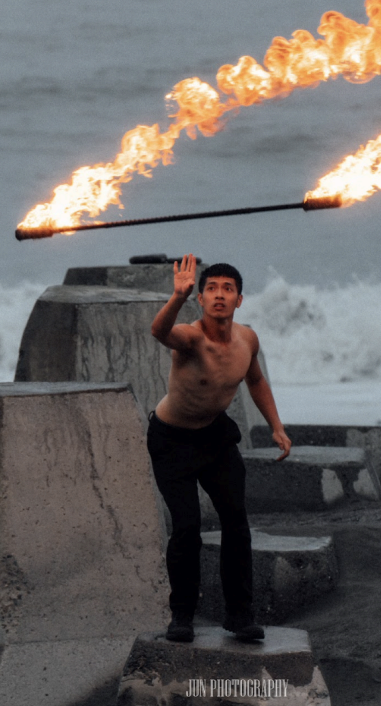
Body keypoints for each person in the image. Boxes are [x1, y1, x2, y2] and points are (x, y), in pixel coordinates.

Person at [147, 254, 291, 643]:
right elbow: (160, 331)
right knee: (187, 527)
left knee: (236, 523)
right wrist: (177, 296)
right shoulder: (191, 337)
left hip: (215, 437)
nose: (219, 295)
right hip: (171, 440)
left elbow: (256, 381)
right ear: (201, 298)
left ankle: (239, 616)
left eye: (228, 289)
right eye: (211, 289)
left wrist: (277, 427)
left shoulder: (248, 340)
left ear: (239, 299)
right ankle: (182, 616)